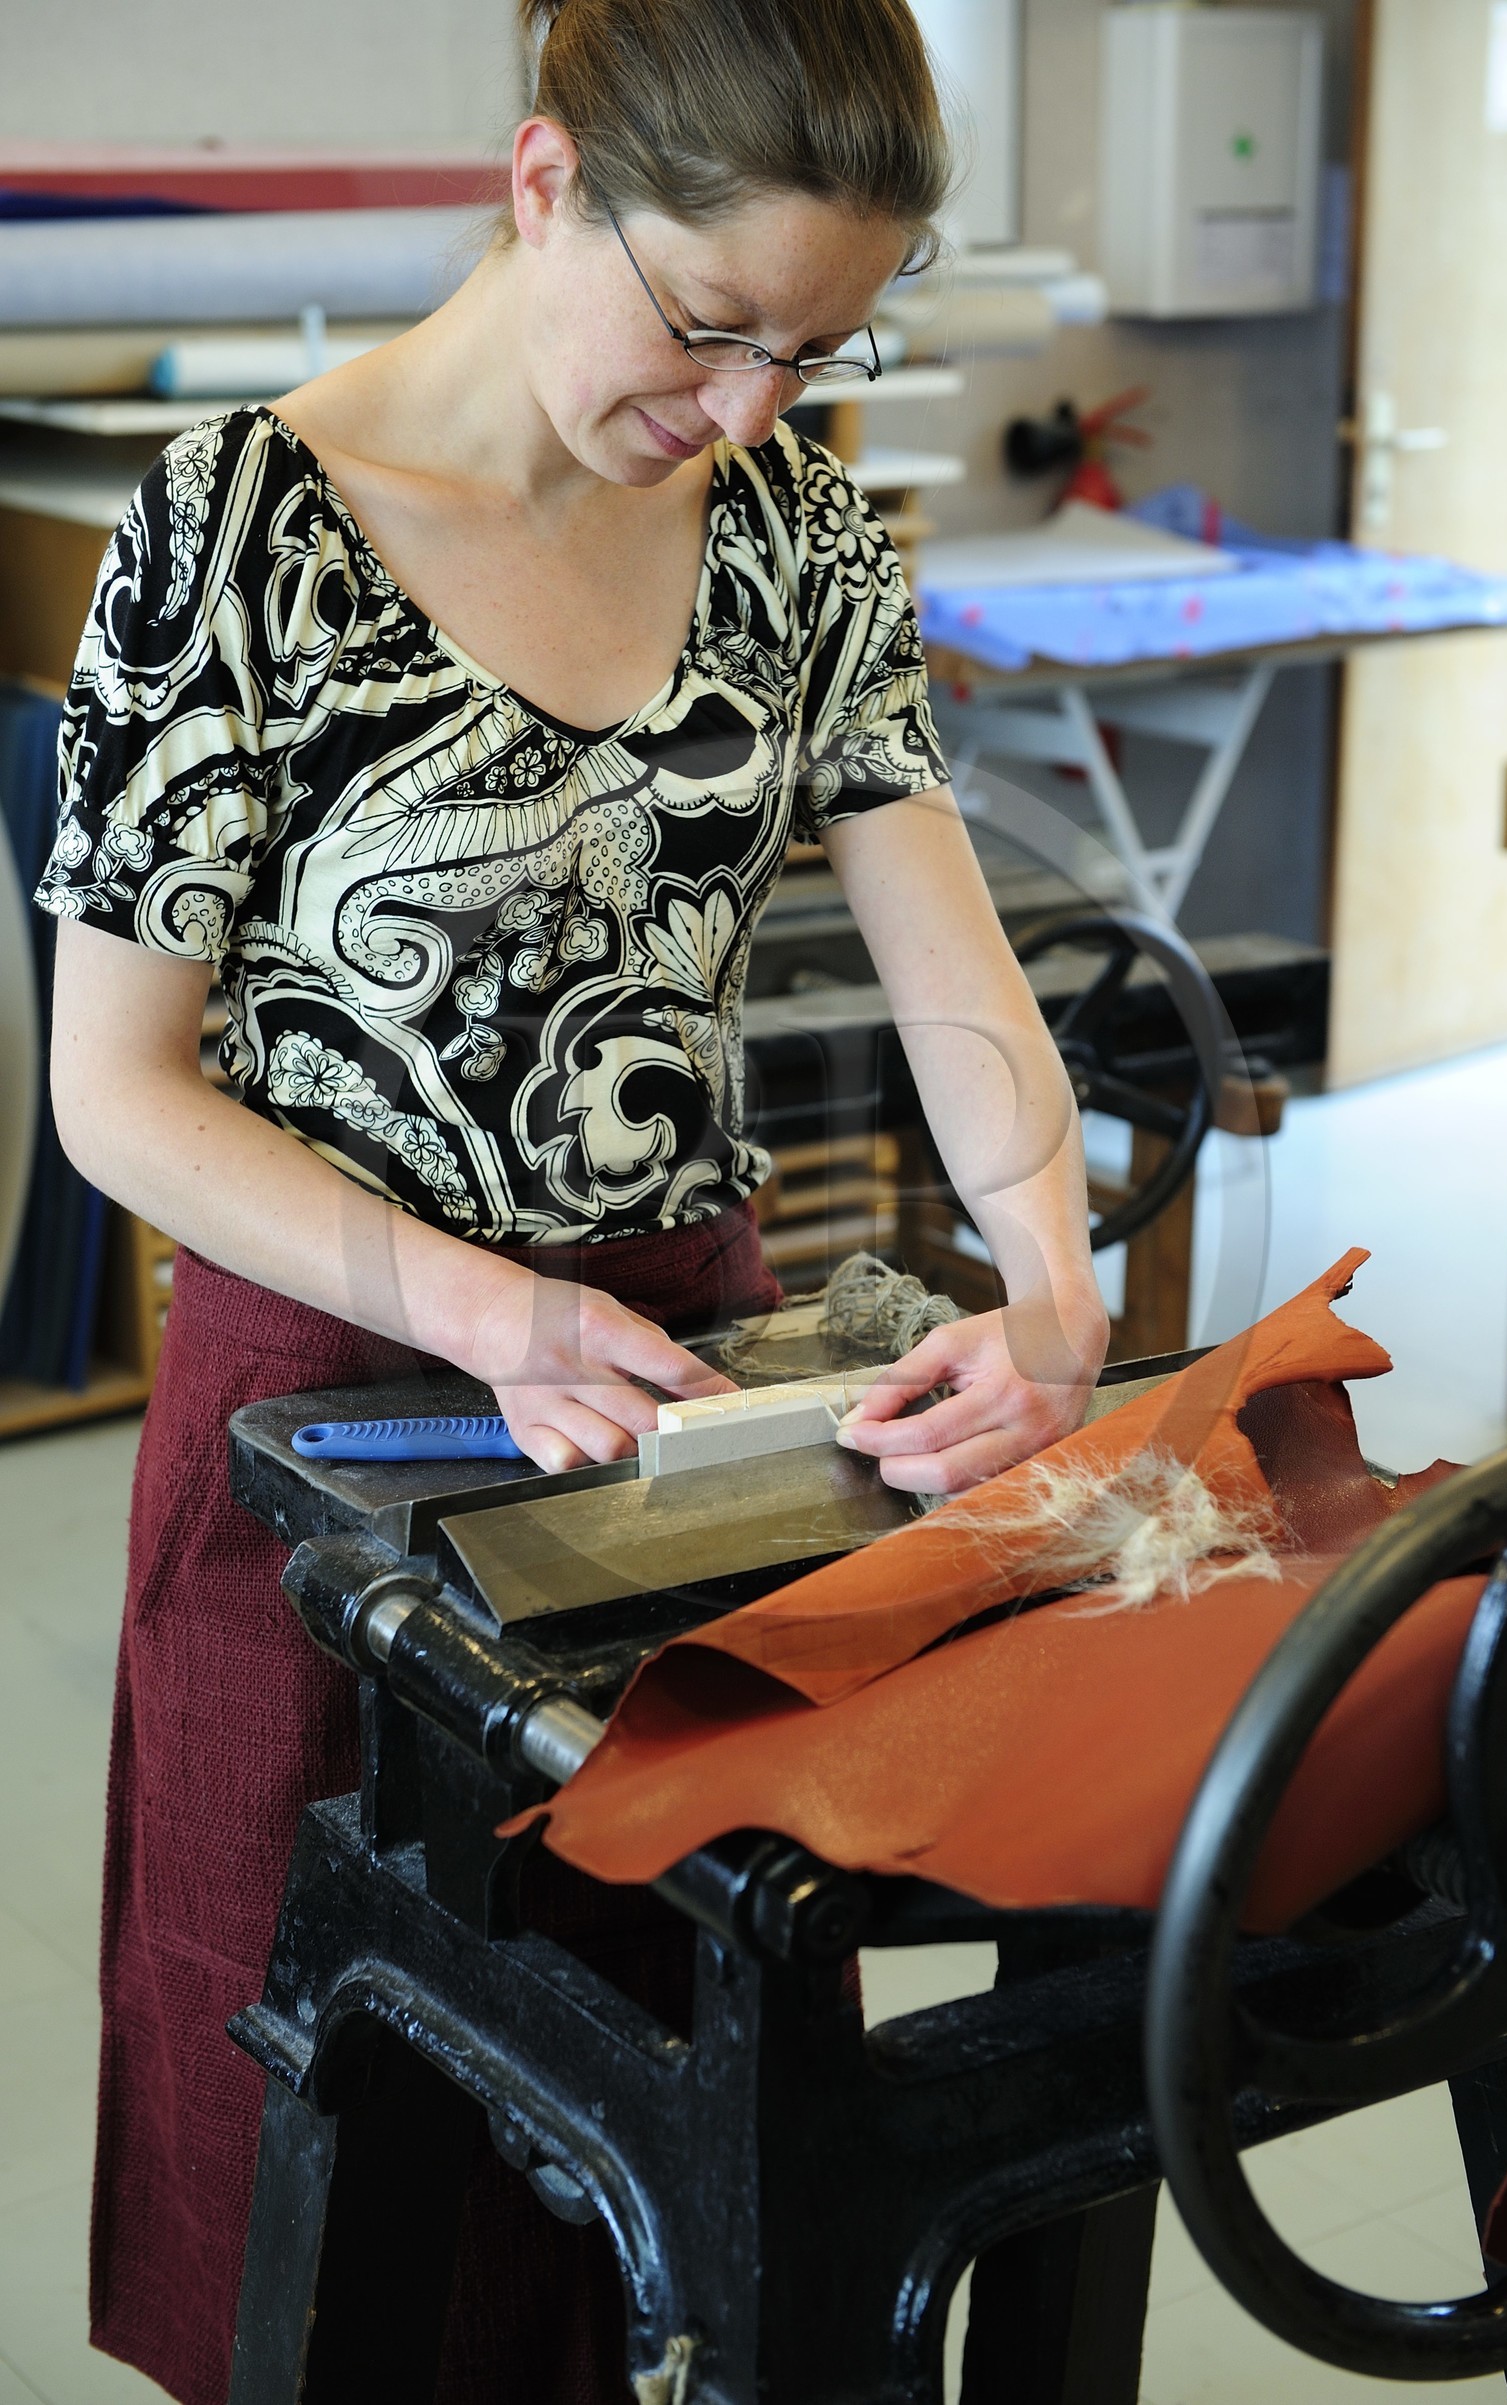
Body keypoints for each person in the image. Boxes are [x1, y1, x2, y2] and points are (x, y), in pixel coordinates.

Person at [40, 1, 1108, 2396]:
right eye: (709, 324)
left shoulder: (797, 536)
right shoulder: (239, 527)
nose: (745, 407)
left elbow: (952, 977)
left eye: (815, 348)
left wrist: (1046, 1284)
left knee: (633, 2118)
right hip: (338, 1403)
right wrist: (480, 1309)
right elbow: (114, 1094)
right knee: (315, 2124)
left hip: (674, 1405)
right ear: (544, 185)